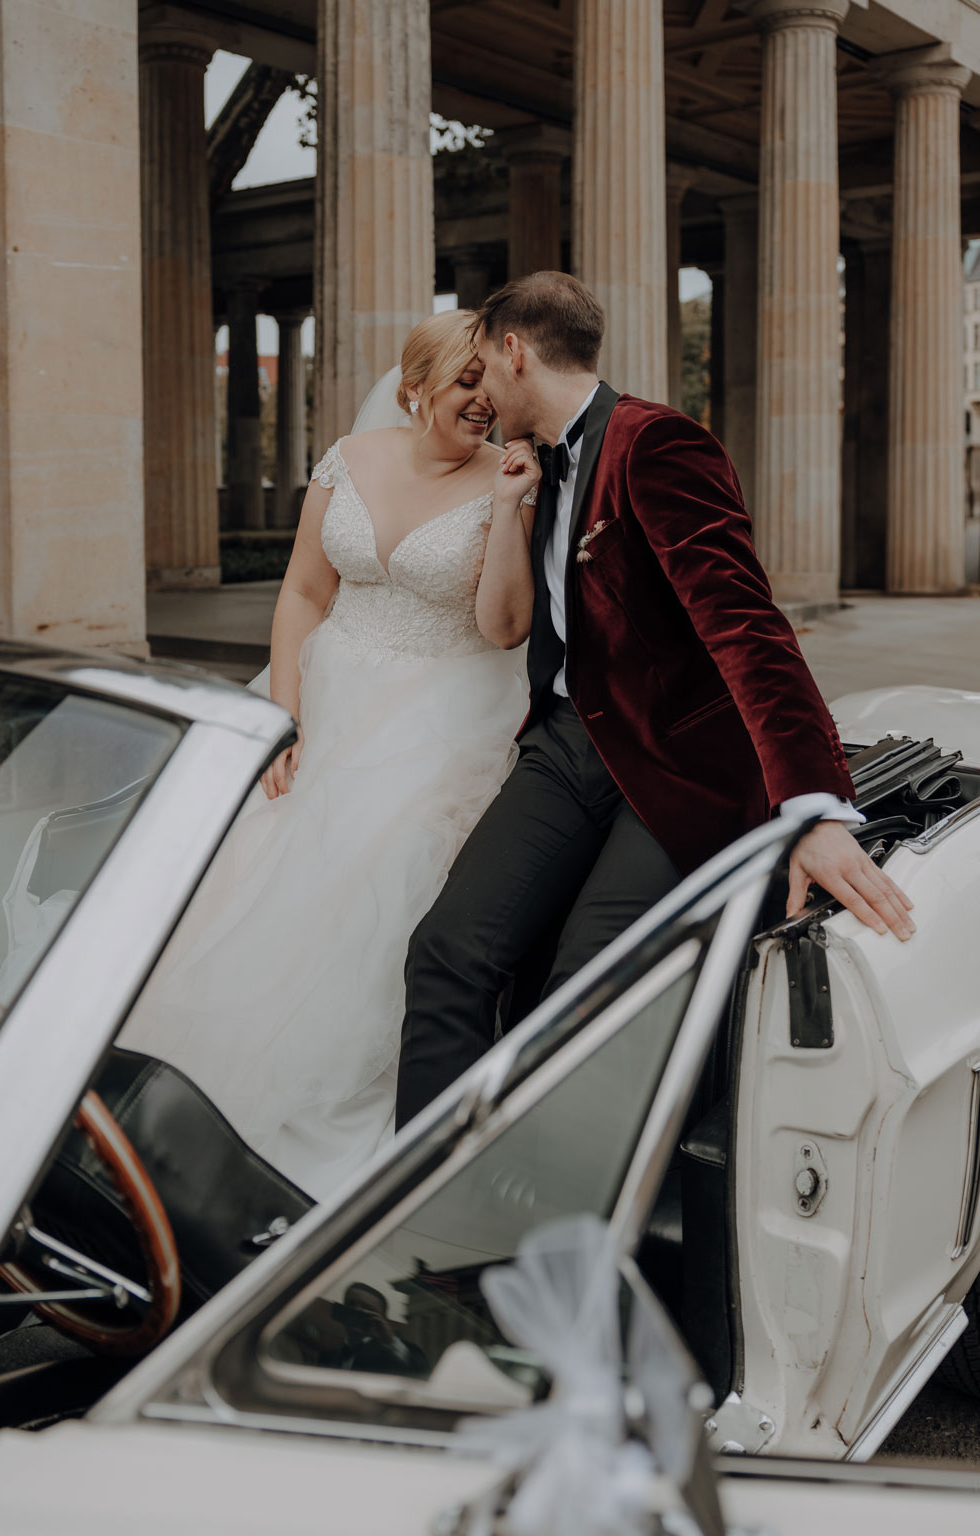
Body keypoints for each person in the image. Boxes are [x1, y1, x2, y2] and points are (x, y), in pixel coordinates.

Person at [395, 271, 915, 1128]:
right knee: (445, 951)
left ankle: (557, 1243)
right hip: (567, 745)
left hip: (681, 762)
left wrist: (814, 806)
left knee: (584, 990)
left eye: (484, 367)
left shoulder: (658, 443)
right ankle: (420, 1205)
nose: (481, 391)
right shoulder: (537, 465)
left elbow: (746, 629)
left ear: (515, 351)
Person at [120, 310, 539, 1199]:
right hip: (325, 691)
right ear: (415, 385)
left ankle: (321, 1121)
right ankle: (181, 1098)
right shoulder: (348, 456)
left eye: (491, 387)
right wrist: (287, 717)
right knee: (252, 867)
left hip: (448, 707)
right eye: (466, 384)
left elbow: (506, 630)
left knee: (378, 873)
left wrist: (509, 510)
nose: (483, 403)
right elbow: (305, 591)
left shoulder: (507, 476)